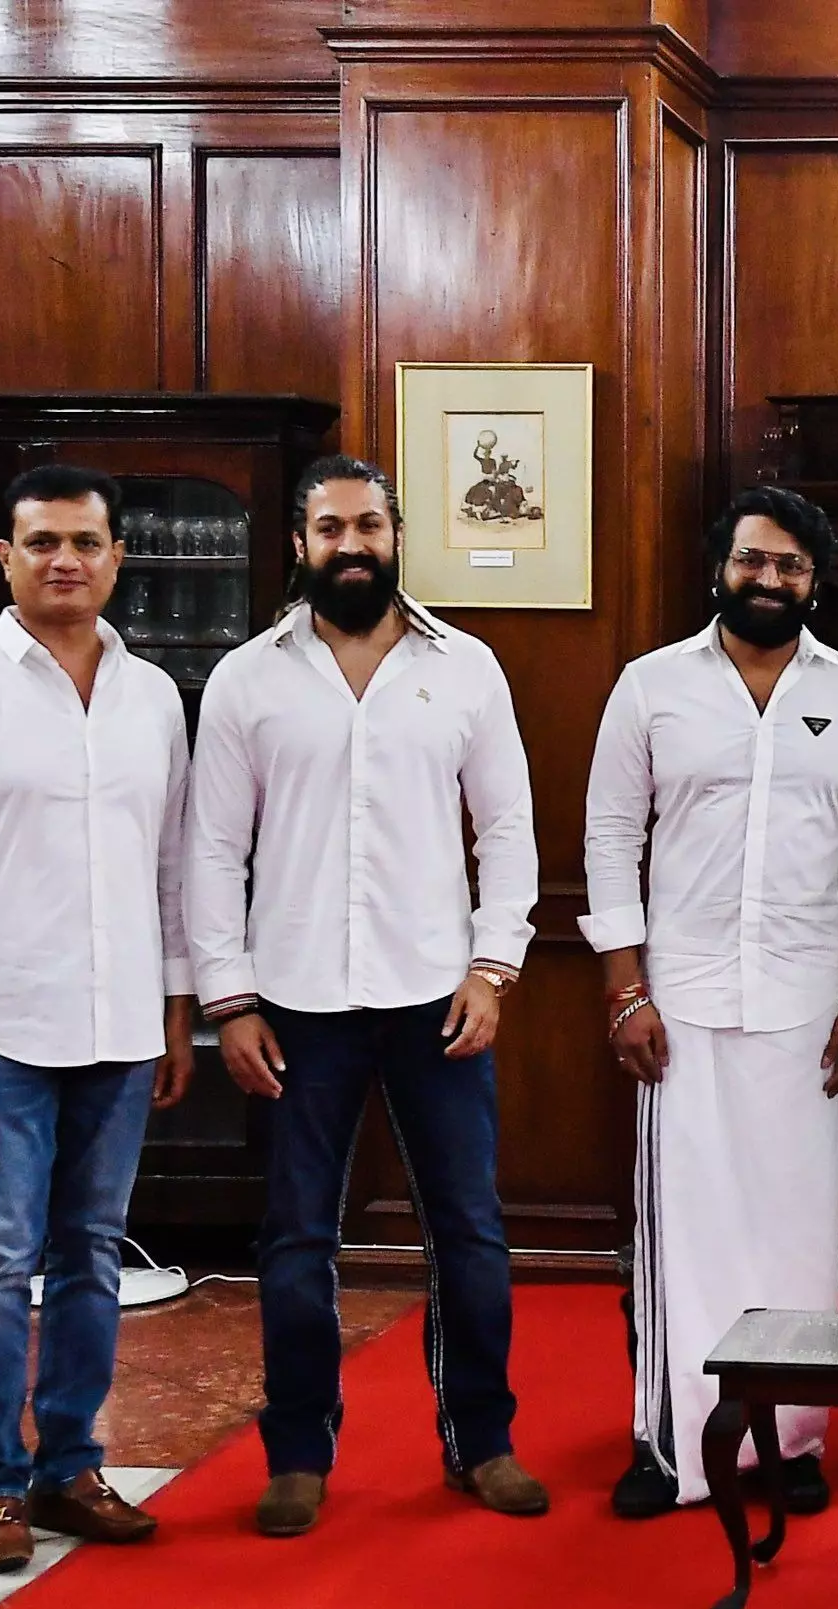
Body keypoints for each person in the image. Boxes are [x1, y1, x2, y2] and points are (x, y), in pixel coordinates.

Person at [187, 454, 546, 1537]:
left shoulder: (467, 667)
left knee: (470, 1229)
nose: (354, 545)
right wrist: (229, 997)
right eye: (331, 528)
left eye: (371, 526)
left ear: (397, 537)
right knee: (297, 1234)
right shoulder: (250, 676)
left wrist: (494, 967)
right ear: (299, 545)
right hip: (293, 999)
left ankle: (480, 1438)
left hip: (436, 995)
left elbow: (513, 830)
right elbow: (210, 848)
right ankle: (298, 1449)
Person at [0, 464, 193, 1572]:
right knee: (1, 1257)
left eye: (87, 542)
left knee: (93, 1256)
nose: (67, 559)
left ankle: (68, 1464)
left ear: (117, 558)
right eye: (43, 540)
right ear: (3, 557)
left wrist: (180, 1005)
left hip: (120, 1026)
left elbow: (170, 865)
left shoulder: (152, 695)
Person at [582, 485, 838, 1517]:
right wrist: (623, 989)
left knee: (798, 1232)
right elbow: (606, 841)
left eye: (790, 565)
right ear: (717, 568)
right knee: (683, 1230)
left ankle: (792, 1440)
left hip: (808, 1002)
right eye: (751, 561)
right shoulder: (649, 686)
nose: (769, 579)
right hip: (676, 1005)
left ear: (816, 581)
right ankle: (667, 1442)